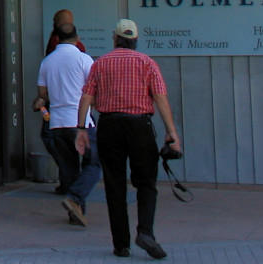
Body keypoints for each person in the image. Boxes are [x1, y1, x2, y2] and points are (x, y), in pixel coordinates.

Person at [76, 19, 179, 260]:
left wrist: (81, 128)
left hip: (109, 125)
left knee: (114, 184)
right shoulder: (147, 63)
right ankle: (146, 232)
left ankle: (121, 245)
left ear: (115, 38)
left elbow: (86, 97)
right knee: (146, 182)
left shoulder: (100, 63)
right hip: (139, 125)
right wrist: (171, 131)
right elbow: (160, 98)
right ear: (135, 40)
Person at [34, 21, 100, 227]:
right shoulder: (84, 59)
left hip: (57, 123)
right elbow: (92, 90)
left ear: (56, 39)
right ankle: (75, 198)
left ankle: (76, 213)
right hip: (80, 122)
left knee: (69, 168)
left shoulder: (47, 62)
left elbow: (42, 93)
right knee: (94, 162)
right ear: (77, 39)